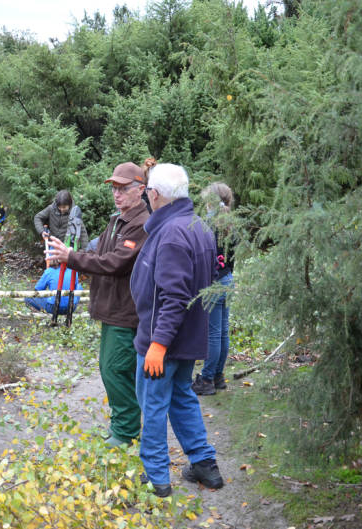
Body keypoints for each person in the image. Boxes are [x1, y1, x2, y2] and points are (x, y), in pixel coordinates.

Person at [130, 162, 224, 497]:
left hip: (164, 341)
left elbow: (174, 296)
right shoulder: (197, 225)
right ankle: (204, 463)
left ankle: (156, 477)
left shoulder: (170, 233)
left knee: (153, 404)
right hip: (187, 338)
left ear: (154, 195)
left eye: (147, 192)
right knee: (182, 396)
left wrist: (157, 343)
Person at [46, 162, 150, 450]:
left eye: (124, 188)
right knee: (109, 368)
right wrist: (66, 256)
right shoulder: (118, 220)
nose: (117, 194)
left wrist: (73, 257)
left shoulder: (140, 225)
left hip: (125, 312)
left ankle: (126, 432)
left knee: (116, 369)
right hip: (109, 309)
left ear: (140, 190)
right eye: (114, 188)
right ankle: (121, 427)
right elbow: (97, 251)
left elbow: (114, 263)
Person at [192, 182, 236, 396]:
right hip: (228, 279)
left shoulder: (206, 223)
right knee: (223, 330)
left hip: (214, 283)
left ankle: (208, 378)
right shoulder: (231, 222)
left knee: (214, 333)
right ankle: (218, 376)